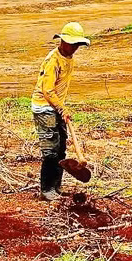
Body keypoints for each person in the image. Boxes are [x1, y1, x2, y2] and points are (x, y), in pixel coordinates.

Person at [31, 22, 90, 200]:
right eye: (72, 44)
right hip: (44, 107)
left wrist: (60, 108)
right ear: (62, 40)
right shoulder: (53, 61)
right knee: (50, 151)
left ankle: (56, 187)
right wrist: (61, 108)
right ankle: (47, 190)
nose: (74, 48)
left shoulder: (68, 58)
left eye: (77, 45)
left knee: (61, 149)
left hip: (56, 107)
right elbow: (47, 91)